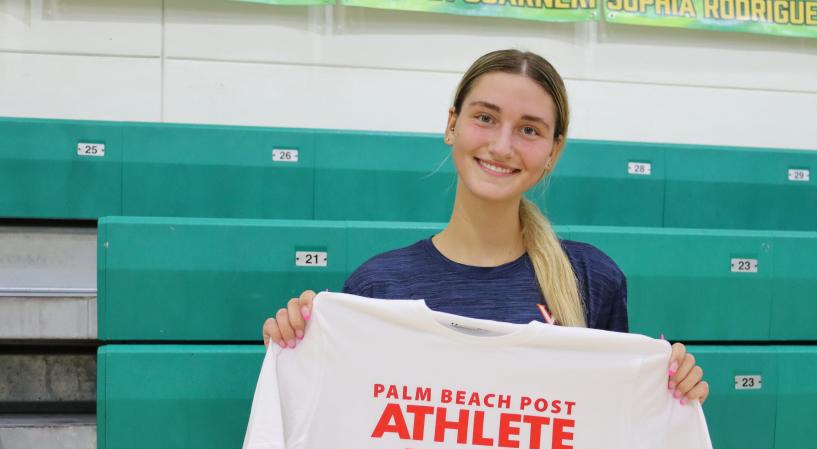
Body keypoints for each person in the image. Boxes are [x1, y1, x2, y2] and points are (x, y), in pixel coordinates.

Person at [261, 49, 709, 406]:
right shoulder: (378, 287)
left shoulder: (591, 279)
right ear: (451, 124)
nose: (502, 145)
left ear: (554, 150)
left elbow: (616, 431)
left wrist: (671, 392)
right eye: (485, 118)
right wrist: (296, 345)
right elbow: (342, 435)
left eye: (529, 130)